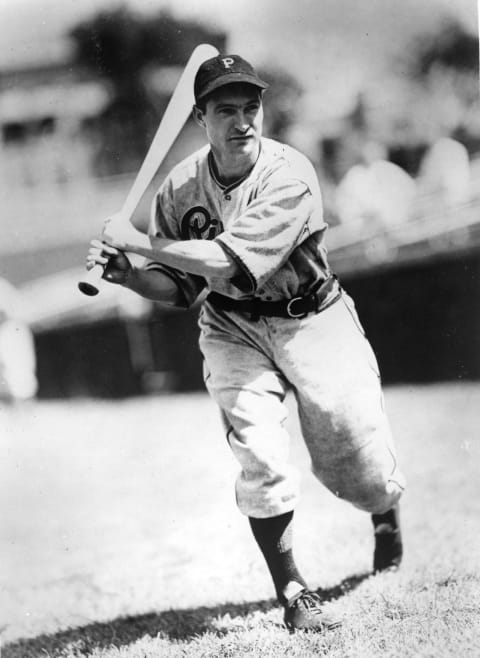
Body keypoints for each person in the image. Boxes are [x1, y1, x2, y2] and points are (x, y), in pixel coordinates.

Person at [87, 54, 405, 632]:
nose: (243, 121)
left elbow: (225, 258)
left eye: (251, 107)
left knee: (356, 462)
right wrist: (130, 273)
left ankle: (384, 513)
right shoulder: (181, 187)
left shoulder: (291, 173)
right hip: (231, 324)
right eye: (226, 110)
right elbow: (185, 287)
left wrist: (141, 242)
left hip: (313, 315)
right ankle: (293, 591)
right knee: (258, 450)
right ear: (200, 118)